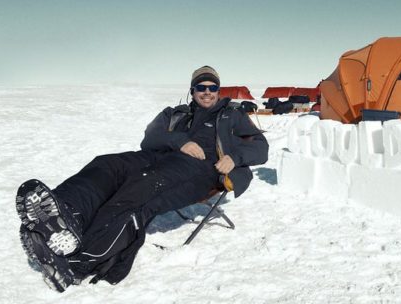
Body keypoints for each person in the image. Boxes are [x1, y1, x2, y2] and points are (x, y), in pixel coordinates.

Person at [15, 65, 268, 292]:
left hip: (201, 170)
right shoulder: (175, 113)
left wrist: (234, 157)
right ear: (192, 91)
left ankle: (79, 263)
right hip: (156, 157)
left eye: (212, 87)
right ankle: (65, 216)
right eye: (201, 87)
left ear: (218, 90)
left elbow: (261, 147)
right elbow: (149, 138)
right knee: (107, 164)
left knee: (141, 189)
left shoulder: (231, 115)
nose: (207, 92)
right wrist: (180, 141)